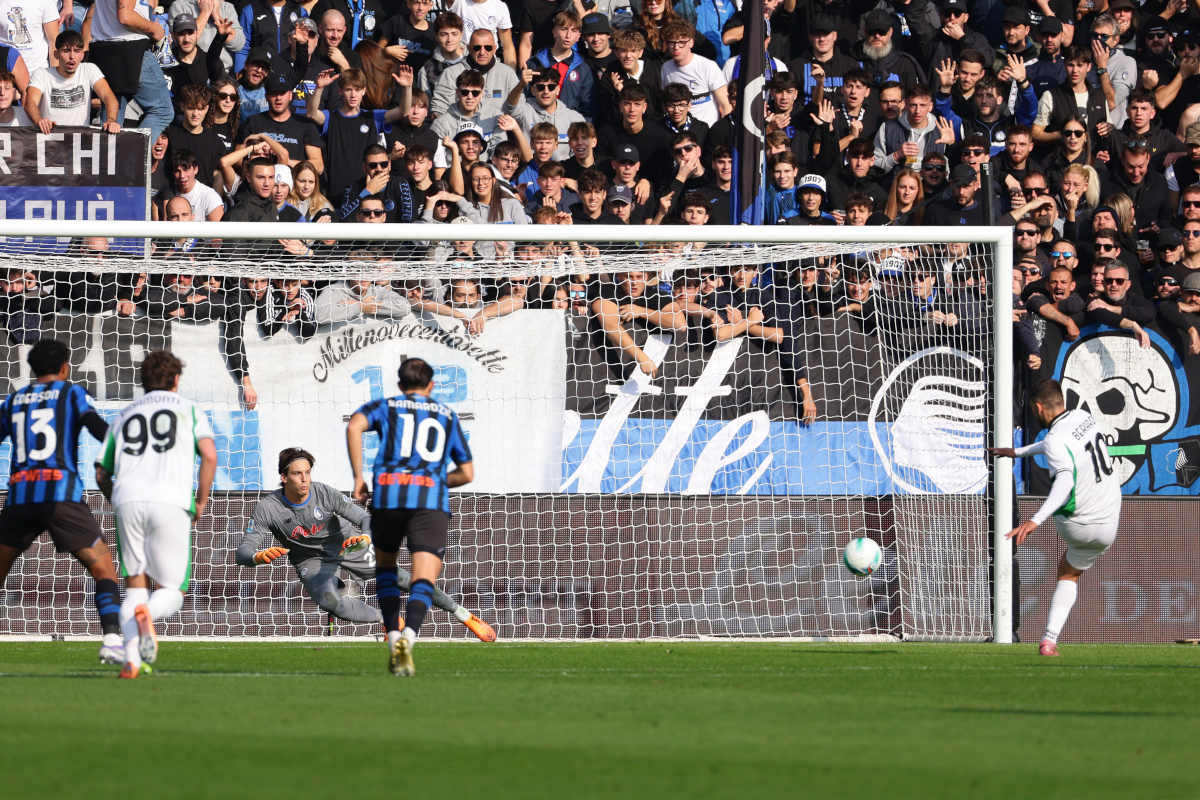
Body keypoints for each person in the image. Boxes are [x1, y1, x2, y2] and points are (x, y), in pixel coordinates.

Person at [237, 446, 495, 640]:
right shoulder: (267, 509)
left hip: (348, 546)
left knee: (403, 579)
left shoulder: (324, 493)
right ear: (284, 477)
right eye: (297, 474)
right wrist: (258, 557)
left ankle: (464, 615)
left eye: (307, 473)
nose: (305, 479)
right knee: (331, 603)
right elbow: (243, 553)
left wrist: (366, 537)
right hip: (310, 561)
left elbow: (364, 518)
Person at [346, 357, 475, 676]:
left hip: (388, 496)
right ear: (431, 386)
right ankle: (410, 638)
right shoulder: (446, 415)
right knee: (424, 576)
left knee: (387, 568)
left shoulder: (387, 405)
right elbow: (467, 473)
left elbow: (354, 425)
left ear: (401, 386)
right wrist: (433, 479)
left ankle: (392, 639)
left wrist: (359, 478)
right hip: (429, 500)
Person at [93, 351, 217, 679]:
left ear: (142, 382)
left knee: (135, 582)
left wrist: (117, 502)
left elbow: (101, 474)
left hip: (128, 499)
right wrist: (201, 501)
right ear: (176, 380)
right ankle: (148, 612)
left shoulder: (124, 415)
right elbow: (209, 455)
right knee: (173, 591)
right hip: (171, 500)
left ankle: (132, 660)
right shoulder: (189, 409)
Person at [0, 338, 124, 666]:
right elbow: (99, 430)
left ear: (32, 368)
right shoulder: (72, 393)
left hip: (19, 498)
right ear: (65, 367)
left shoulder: (13, 401)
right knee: (103, 569)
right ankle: (112, 640)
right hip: (61, 496)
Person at [988, 378, 1122, 656]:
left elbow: (1063, 480)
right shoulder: (1083, 417)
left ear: (1038, 407)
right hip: (1110, 523)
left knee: (1067, 573)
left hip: (1078, 525)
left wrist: (1034, 520)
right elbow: (1056, 446)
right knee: (1070, 571)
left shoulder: (1053, 439)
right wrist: (1019, 452)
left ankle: (1049, 639)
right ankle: (1048, 640)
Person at [86, 0, 175, 142]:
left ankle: (112, 161)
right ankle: (132, 158)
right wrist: (154, 28)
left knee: (112, 120)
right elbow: (125, 16)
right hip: (131, 49)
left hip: (104, 49)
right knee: (162, 111)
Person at [24, 30, 119, 133]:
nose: (72, 56)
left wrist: (111, 121)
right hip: (50, 140)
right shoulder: (41, 74)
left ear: (82, 55)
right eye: (66, 50)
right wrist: (39, 121)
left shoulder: (90, 69)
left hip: (79, 142)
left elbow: (109, 97)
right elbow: (30, 102)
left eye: (77, 51)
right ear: (56, 54)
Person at [658, 19, 729, 126]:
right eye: (672, 43)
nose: (676, 47)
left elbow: (726, 105)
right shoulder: (666, 68)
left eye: (682, 42)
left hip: (707, 132)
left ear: (691, 43)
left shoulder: (707, 66)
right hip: (679, 133)